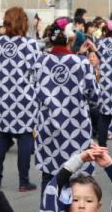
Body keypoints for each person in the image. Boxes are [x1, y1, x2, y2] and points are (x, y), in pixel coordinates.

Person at [35, 25, 97, 191]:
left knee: (49, 176)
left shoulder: (40, 61)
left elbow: (33, 91)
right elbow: (94, 95)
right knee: (79, 177)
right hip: (77, 127)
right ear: (71, 39)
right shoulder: (82, 63)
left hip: (48, 125)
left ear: (50, 38)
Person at [0, 7, 39, 192]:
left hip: (2, 97)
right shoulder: (30, 45)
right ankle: (23, 181)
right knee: (25, 136)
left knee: (1, 136)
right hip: (24, 99)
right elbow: (36, 73)